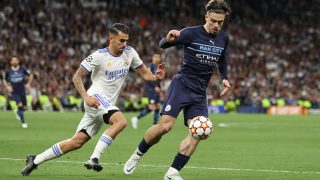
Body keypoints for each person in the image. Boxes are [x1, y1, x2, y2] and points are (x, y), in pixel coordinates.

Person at [21, 23, 165, 176]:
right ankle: (94, 158)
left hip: (106, 104)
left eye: (126, 40)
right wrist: (86, 97)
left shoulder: (130, 53)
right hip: (95, 97)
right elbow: (76, 77)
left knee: (76, 142)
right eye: (121, 41)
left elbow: (144, 73)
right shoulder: (98, 56)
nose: (125, 44)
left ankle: (35, 160)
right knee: (121, 121)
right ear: (111, 39)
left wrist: (156, 77)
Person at [123, 0, 232, 179]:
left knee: (199, 131)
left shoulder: (223, 38)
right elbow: (163, 45)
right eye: (213, 21)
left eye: (220, 22)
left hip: (199, 93)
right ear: (206, 16)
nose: (216, 25)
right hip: (181, 85)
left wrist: (225, 78)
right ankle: (138, 154)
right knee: (165, 127)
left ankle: (173, 172)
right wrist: (168, 39)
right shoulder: (191, 33)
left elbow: (222, 60)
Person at [131, 53, 162, 129]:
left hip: (156, 90)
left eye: (158, 57)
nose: (157, 58)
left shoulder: (157, 67)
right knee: (152, 107)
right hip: (150, 89)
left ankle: (154, 125)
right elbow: (147, 77)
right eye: (156, 57)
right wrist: (154, 87)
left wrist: (158, 87)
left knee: (157, 106)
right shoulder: (150, 67)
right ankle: (136, 118)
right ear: (153, 58)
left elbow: (158, 79)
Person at [3, 56, 33, 128]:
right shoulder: (8, 71)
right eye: (13, 60)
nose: (14, 61)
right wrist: (8, 87)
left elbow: (31, 75)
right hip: (14, 92)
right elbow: (4, 80)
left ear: (18, 61)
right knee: (20, 105)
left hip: (22, 91)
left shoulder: (23, 69)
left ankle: (17, 112)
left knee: (24, 107)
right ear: (11, 62)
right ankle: (23, 122)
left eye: (16, 60)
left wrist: (28, 84)